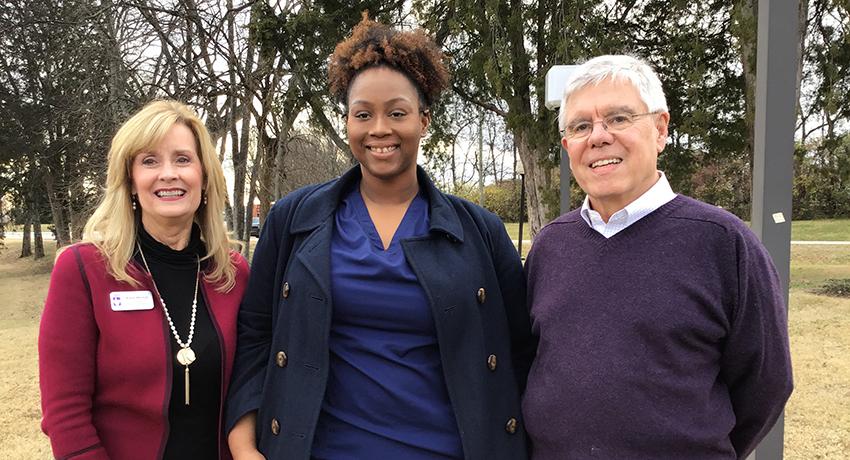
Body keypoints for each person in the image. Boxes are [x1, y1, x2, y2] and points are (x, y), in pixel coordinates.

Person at [225, 16, 536, 460]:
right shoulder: (293, 220)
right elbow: (257, 336)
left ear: (424, 120)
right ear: (347, 122)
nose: (379, 129)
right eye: (363, 114)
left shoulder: (480, 232)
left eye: (397, 112)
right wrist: (243, 445)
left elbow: (519, 352)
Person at [522, 54, 794, 459]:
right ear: (567, 146)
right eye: (580, 126)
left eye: (618, 118)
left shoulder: (724, 243)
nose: (598, 137)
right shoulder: (550, 246)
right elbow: (529, 361)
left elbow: (766, 383)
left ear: (661, 129)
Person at [39, 100, 250, 460]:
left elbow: (251, 385)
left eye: (182, 159)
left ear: (204, 177)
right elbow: (65, 414)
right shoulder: (83, 270)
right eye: (149, 161)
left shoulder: (232, 274)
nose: (168, 174)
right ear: (131, 182)